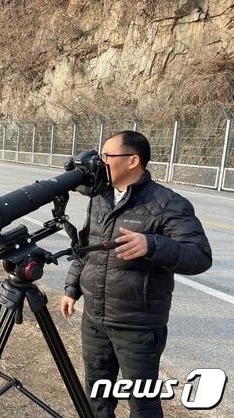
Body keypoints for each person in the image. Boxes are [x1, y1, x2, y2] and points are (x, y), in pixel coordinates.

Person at [60, 131, 212, 417]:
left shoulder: (167, 203)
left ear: (132, 160)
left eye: (107, 156)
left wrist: (152, 244)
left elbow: (200, 256)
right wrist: (72, 288)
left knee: (142, 405)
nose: (100, 162)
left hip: (138, 327)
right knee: (97, 398)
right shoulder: (101, 198)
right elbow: (88, 246)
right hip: (94, 320)